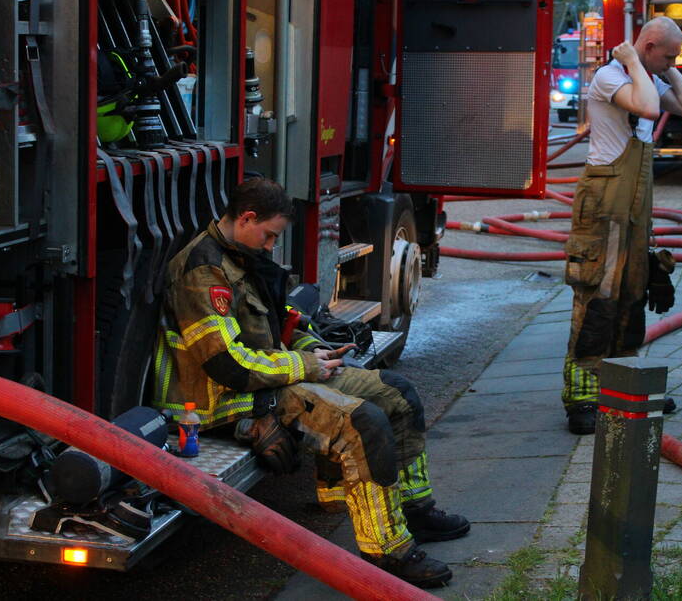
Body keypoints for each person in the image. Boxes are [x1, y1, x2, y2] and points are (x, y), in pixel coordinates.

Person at [152, 177, 469, 588]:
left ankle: (415, 510)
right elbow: (227, 364)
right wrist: (306, 366)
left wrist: (314, 348)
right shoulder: (202, 270)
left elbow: (272, 327)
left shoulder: (244, 257)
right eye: (269, 235)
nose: (271, 246)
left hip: (269, 376)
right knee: (362, 422)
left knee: (397, 394)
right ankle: (387, 552)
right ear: (247, 218)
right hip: (225, 399)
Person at [561, 16, 682, 435]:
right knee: (597, 296)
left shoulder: (647, 75)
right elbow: (647, 107)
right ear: (648, 46)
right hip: (605, 203)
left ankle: (622, 388)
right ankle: (582, 398)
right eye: (670, 54)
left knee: (631, 293)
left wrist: (666, 67)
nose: (673, 62)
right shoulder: (609, 76)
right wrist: (638, 63)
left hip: (634, 206)